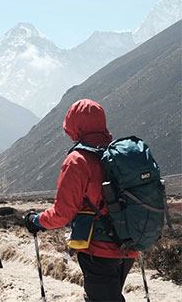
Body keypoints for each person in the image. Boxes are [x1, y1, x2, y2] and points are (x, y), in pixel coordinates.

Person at [25, 99, 138, 302]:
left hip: (98, 249)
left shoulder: (78, 160)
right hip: (128, 244)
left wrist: (36, 220)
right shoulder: (118, 155)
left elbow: (62, 214)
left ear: (75, 125)